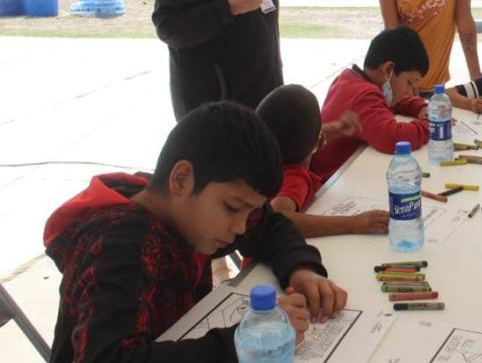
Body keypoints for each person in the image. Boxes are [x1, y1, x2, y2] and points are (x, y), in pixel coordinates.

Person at [43, 101, 348, 362]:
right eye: (232, 207)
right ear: (182, 178)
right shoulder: (117, 248)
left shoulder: (186, 213)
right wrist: (242, 342)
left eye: (248, 212)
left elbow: (269, 225)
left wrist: (302, 270)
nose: (241, 227)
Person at [257, 84, 390, 236]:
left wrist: (338, 128)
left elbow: (306, 139)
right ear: (317, 142)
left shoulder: (269, 158)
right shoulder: (295, 178)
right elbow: (278, 217)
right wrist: (352, 223)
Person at [311, 27, 430, 182]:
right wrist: (431, 125)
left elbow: (390, 102)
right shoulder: (364, 95)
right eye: (409, 83)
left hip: (342, 176)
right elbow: (393, 137)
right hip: (328, 185)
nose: (409, 92)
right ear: (388, 70)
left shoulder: (350, 79)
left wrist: (420, 107)